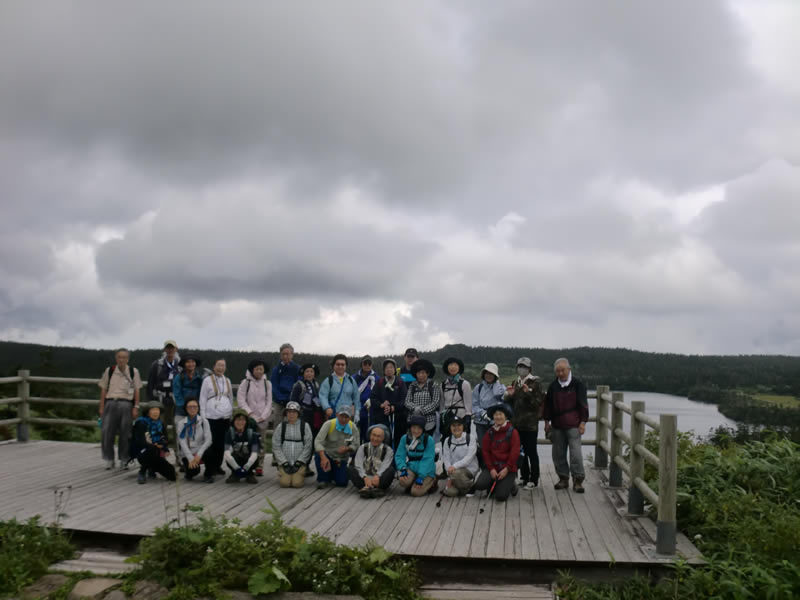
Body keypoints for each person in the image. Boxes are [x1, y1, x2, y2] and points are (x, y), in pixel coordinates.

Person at [543, 358, 589, 493]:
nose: (560, 373)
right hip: (557, 425)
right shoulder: (553, 386)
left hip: (574, 424)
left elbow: (583, 405)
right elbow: (548, 406)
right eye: (557, 371)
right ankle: (563, 478)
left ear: (569, 369)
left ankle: (578, 480)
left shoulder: (577, 384)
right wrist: (546, 422)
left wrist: (583, 422)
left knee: (576, 454)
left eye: (562, 370)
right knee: (558, 454)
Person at [98, 348, 142, 470]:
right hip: (111, 402)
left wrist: (136, 407)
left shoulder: (134, 371)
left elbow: (137, 390)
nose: (121, 359)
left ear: (128, 359)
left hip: (127, 404)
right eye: (119, 357)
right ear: (116, 358)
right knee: (107, 432)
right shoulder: (110, 370)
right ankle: (109, 459)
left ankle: (124, 459)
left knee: (126, 433)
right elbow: (103, 389)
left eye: (124, 357)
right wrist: (101, 407)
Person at [505, 357, 543, 489]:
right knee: (520, 452)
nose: (522, 369)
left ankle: (534, 479)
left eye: (525, 367)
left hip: (530, 425)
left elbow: (538, 404)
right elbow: (512, 404)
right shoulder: (515, 382)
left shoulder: (535, 382)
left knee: (531, 452)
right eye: (520, 366)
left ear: (530, 369)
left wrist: (528, 393)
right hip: (517, 424)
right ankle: (524, 477)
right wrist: (509, 396)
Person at [475, 404, 520, 502]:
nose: (498, 417)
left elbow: (515, 452)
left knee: (500, 496)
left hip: (507, 468)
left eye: (500, 414)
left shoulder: (513, 432)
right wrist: (491, 469)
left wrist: (507, 469)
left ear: (506, 416)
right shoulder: (489, 433)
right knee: (479, 485)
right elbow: (485, 452)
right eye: (495, 415)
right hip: (493, 467)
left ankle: (512, 486)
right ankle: (495, 483)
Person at [198, 358, 234, 479]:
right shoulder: (207, 380)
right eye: (219, 365)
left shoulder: (227, 380)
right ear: (214, 367)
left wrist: (231, 412)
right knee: (211, 442)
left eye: (223, 365)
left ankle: (218, 466)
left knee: (221, 443)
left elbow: (230, 398)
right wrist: (202, 415)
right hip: (211, 416)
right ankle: (210, 467)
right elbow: (202, 398)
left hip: (224, 417)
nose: (221, 368)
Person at [237, 358, 272, 476]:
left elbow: (269, 402)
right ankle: (248, 464)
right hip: (249, 419)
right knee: (248, 441)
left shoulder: (267, 384)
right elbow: (241, 400)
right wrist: (250, 414)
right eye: (256, 369)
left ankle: (259, 465)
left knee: (261, 442)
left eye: (261, 369)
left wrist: (263, 416)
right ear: (252, 370)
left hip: (263, 418)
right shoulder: (245, 383)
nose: (259, 371)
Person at [314, 405, 360, 489]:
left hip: (340, 458)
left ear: (350, 418)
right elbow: (318, 442)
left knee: (342, 483)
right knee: (318, 454)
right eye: (341, 416)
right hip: (327, 454)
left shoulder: (353, 427)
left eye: (346, 417)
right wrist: (323, 457)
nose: (343, 419)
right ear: (337, 415)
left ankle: (333, 473)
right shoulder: (329, 424)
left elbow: (356, 444)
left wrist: (348, 448)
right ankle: (323, 479)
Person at [132, 401, 177, 484]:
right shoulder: (141, 423)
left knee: (173, 476)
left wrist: (162, 444)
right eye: (153, 410)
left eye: (157, 410)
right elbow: (141, 442)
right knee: (151, 448)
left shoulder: (161, 423)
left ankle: (152, 468)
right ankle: (142, 471)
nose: (156, 412)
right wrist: (154, 445)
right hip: (143, 453)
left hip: (157, 453)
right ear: (147, 412)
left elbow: (166, 439)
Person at [368, 358, 408, 449]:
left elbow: (404, 400)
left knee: (397, 440)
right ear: (384, 370)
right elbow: (373, 398)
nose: (389, 369)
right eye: (386, 368)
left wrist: (393, 407)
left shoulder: (400, 383)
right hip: (381, 417)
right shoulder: (379, 382)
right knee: (383, 439)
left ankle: (396, 459)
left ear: (395, 370)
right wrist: (381, 405)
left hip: (397, 418)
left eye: (391, 367)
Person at [272, 401, 313, 488]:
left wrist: (300, 461)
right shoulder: (281, 426)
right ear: (286, 413)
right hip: (285, 461)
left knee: (296, 484)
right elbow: (276, 445)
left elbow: (308, 446)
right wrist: (283, 462)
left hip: (299, 462)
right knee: (285, 484)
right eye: (289, 412)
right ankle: (282, 471)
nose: (291, 414)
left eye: (294, 412)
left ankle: (300, 472)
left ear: (298, 413)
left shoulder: (305, 426)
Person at [348, 423, 395, 498]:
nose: (375, 438)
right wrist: (365, 477)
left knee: (391, 470)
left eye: (378, 436)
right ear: (370, 435)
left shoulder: (388, 450)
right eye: (373, 435)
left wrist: (377, 476)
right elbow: (358, 464)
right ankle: (373, 489)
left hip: (379, 478)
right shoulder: (362, 447)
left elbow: (385, 465)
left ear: (383, 438)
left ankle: (369, 488)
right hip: (365, 477)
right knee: (351, 469)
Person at [395, 413, 437, 496]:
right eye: (414, 427)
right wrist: (403, 468)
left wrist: (421, 476)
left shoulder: (429, 440)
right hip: (412, 467)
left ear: (423, 429)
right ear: (410, 428)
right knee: (402, 481)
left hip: (427, 470)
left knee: (415, 492)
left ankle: (433, 481)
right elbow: (399, 455)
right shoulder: (405, 438)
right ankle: (413, 481)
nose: (416, 431)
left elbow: (428, 460)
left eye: (419, 428)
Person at [176, 397, 214, 483]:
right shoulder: (181, 423)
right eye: (190, 407)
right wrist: (190, 458)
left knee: (211, 452)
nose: (192, 409)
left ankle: (208, 475)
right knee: (194, 471)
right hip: (187, 452)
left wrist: (199, 455)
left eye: (195, 406)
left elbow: (208, 440)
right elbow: (182, 443)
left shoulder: (204, 422)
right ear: (186, 409)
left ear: (198, 408)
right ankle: (188, 473)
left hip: (200, 451)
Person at [441, 415, 479, 497]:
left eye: (459, 425)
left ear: (463, 426)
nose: (456, 428)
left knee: (456, 474)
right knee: (450, 492)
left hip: (469, 469)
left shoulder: (470, 438)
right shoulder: (447, 440)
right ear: (450, 427)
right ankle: (464, 487)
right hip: (454, 472)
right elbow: (446, 458)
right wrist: (449, 472)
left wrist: (454, 467)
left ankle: (471, 485)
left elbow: (468, 459)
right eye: (453, 426)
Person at [146, 340, 181, 429]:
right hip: (160, 399)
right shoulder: (157, 365)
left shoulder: (180, 366)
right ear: (164, 350)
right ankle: (159, 442)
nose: (170, 350)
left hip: (175, 400)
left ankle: (174, 442)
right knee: (159, 424)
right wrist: (150, 401)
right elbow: (150, 384)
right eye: (168, 348)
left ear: (176, 349)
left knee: (176, 424)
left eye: (172, 348)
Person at [318, 354, 360, 423]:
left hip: (348, 416)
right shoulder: (328, 380)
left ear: (346, 366)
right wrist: (327, 408)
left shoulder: (351, 380)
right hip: (334, 415)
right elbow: (323, 396)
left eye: (343, 364)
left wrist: (357, 412)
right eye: (338, 364)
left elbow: (356, 398)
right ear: (333, 366)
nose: (340, 366)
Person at [404, 359, 440, 437]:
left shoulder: (433, 385)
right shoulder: (412, 386)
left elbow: (436, 402)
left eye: (423, 373)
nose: (421, 375)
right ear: (416, 374)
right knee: (413, 443)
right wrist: (415, 409)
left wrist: (422, 411)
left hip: (429, 422)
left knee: (427, 442)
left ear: (427, 374)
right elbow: (407, 401)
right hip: (413, 420)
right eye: (418, 373)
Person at [472, 363, 506, 444]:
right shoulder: (478, 388)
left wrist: (496, 384)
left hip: (496, 422)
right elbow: (474, 405)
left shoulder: (501, 388)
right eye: (487, 373)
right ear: (483, 374)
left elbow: (502, 401)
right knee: (483, 446)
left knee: (497, 447)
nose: (489, 376)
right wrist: (482, 413)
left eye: (491, 374)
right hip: (480, 423)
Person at [440, 357, 473, 441]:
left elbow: (468, 402)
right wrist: (441, 417)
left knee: (463, 441)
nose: (453, 367)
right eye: (450, 365)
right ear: (447, 367)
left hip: (461, 416)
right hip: (447, 417)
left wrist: (468, 416)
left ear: (459, 367)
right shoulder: (443, 385)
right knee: (447, 440)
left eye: (455, 365)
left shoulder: (465, 384)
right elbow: (442, 403)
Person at [223, 409, 260, 484]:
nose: (240, 422)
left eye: (243, 420)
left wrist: (246, 467)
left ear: (246, 422)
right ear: (233, 421)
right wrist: (237, 468)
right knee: (230, 457)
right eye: (237, 420)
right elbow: (227, 453)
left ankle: (249, 474)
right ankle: (234, 474)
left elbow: (254, 453)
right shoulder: (229, 433)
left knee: (256, 458)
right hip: (236, 460)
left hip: (248, 460)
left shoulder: (252, 434)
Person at [270, 343, 300, 427]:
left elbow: (298, 385)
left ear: (292, 355)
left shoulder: (297, 369)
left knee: (291, 424)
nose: (286, 356)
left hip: (292, 402)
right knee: (278, 424)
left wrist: (291, 398)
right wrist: (281, 399)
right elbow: (274, 386)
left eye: (288, 354)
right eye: (283, 354)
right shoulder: (276, 370)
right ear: (280, 355)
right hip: (279, 402)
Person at [290, 363, 324, 438]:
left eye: (311, 371)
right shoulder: (299, 385)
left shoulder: (316, 384)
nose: (309, 374)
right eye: (307, 371)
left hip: (314, 415)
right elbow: (293, 401)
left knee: (314, 434)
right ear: (303, 373)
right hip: (303, 414)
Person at [172, 353, 204, 428]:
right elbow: (177, 395)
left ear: (195, 364)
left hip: (195, 411)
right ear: (184, 364)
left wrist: (196, 407)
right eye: (188, 362)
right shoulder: (178, 378)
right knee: (180, 434)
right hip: (181, 411)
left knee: (196, 435)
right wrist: (186, 408)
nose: (191, 364)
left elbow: (201, 394)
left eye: (193, 362)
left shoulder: (199, 378)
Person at [354, 356, 377, 441]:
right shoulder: (355, 377)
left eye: (369, 363)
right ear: (361, 364)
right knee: (356, 435)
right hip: (357, 410)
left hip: (370, 410)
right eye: (365, 363)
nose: (367, 365)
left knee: (369, 434)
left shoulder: (376, 378)